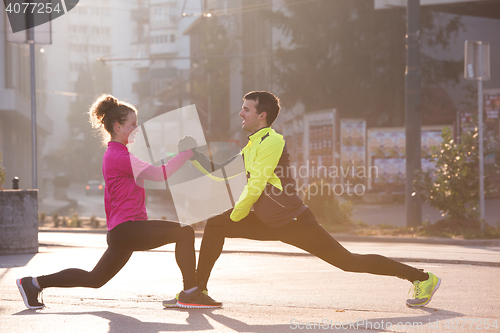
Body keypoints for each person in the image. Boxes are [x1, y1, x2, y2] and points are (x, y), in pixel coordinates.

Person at [191, 91, 441, 308]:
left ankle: (421, 278)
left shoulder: (272, 142)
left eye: (246, 109)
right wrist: (194, 156)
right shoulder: (252, 146)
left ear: (262, 115)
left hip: (294, 221)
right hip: (270, 220)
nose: (241, 113)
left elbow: (256, 185)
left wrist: (236, 215)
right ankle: (197, 291)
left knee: (348, 262)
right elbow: (222, 173)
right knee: (215, 224)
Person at [16, 95, 221, 310]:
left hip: (122, 231)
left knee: (94, 279)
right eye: (133, 124)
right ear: (118, 126)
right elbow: (161, 175)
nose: (137, 128)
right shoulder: (121, 157)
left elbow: (151, 175)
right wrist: (187, 153)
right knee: (185, 231)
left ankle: (33, 283)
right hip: (129, 228)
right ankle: (190, 292)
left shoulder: (116, 154)